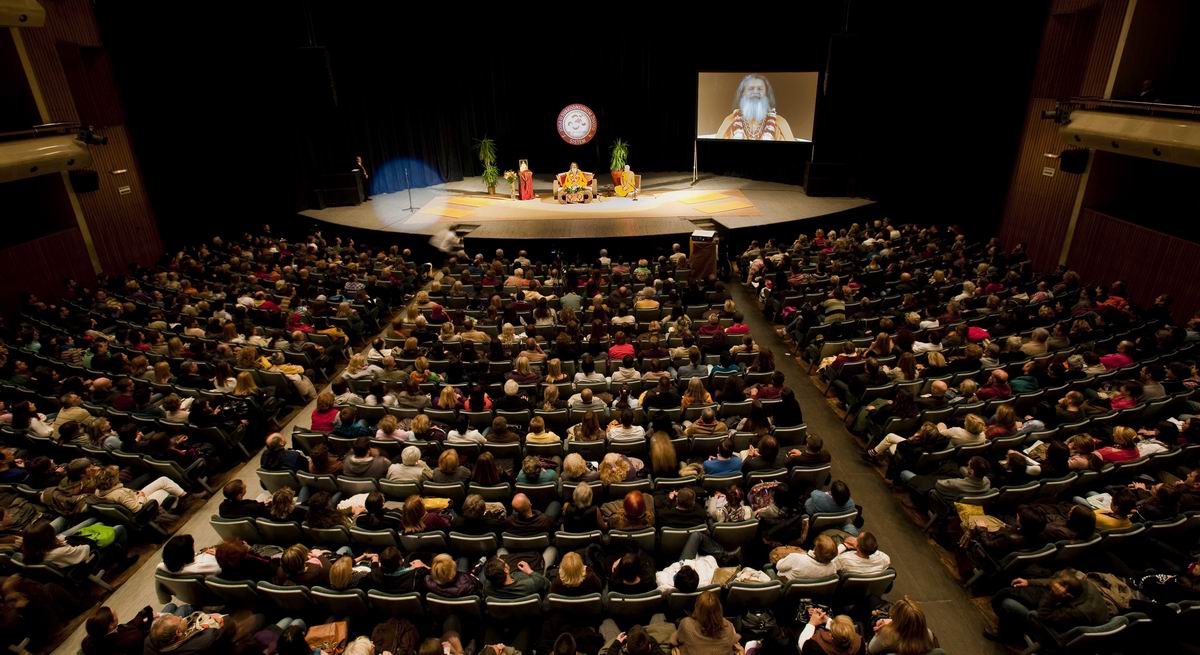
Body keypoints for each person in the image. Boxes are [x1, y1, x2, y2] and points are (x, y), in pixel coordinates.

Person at [985, 569, 1111, 646]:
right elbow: (1055, 581)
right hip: (1070, 614)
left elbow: (1043, 616)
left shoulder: (1080, 611)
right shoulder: (1082, 584)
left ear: (1068, 594)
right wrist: (1030, 582)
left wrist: (1052, 595)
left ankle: (1008, 636)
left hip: (1059, 633)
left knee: (1008, 604)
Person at [714, 74, 796, 141]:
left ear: (766, 94)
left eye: (760, 89)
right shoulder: (730, 121)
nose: (755, 92)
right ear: (743, 93)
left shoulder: (780, 123)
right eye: (751, 89)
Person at [670, 590, 740, 655]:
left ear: (697, 608)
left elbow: (673, 641)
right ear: (719, 608)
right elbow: (734, 639)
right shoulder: (729, 627)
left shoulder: (686, 624)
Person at [868, 597, 938, 655]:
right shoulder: (928, 634)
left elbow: (870, 649)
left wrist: (880, 631)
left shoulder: (887, 635)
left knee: (871, 599)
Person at [483, 557, 550, 598]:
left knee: (501, 550)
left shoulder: (487, 588)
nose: (505, 561)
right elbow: (547, 583)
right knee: (552, 549)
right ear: (506, 570)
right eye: (504, 562)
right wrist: (529, 571)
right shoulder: (530, 584)